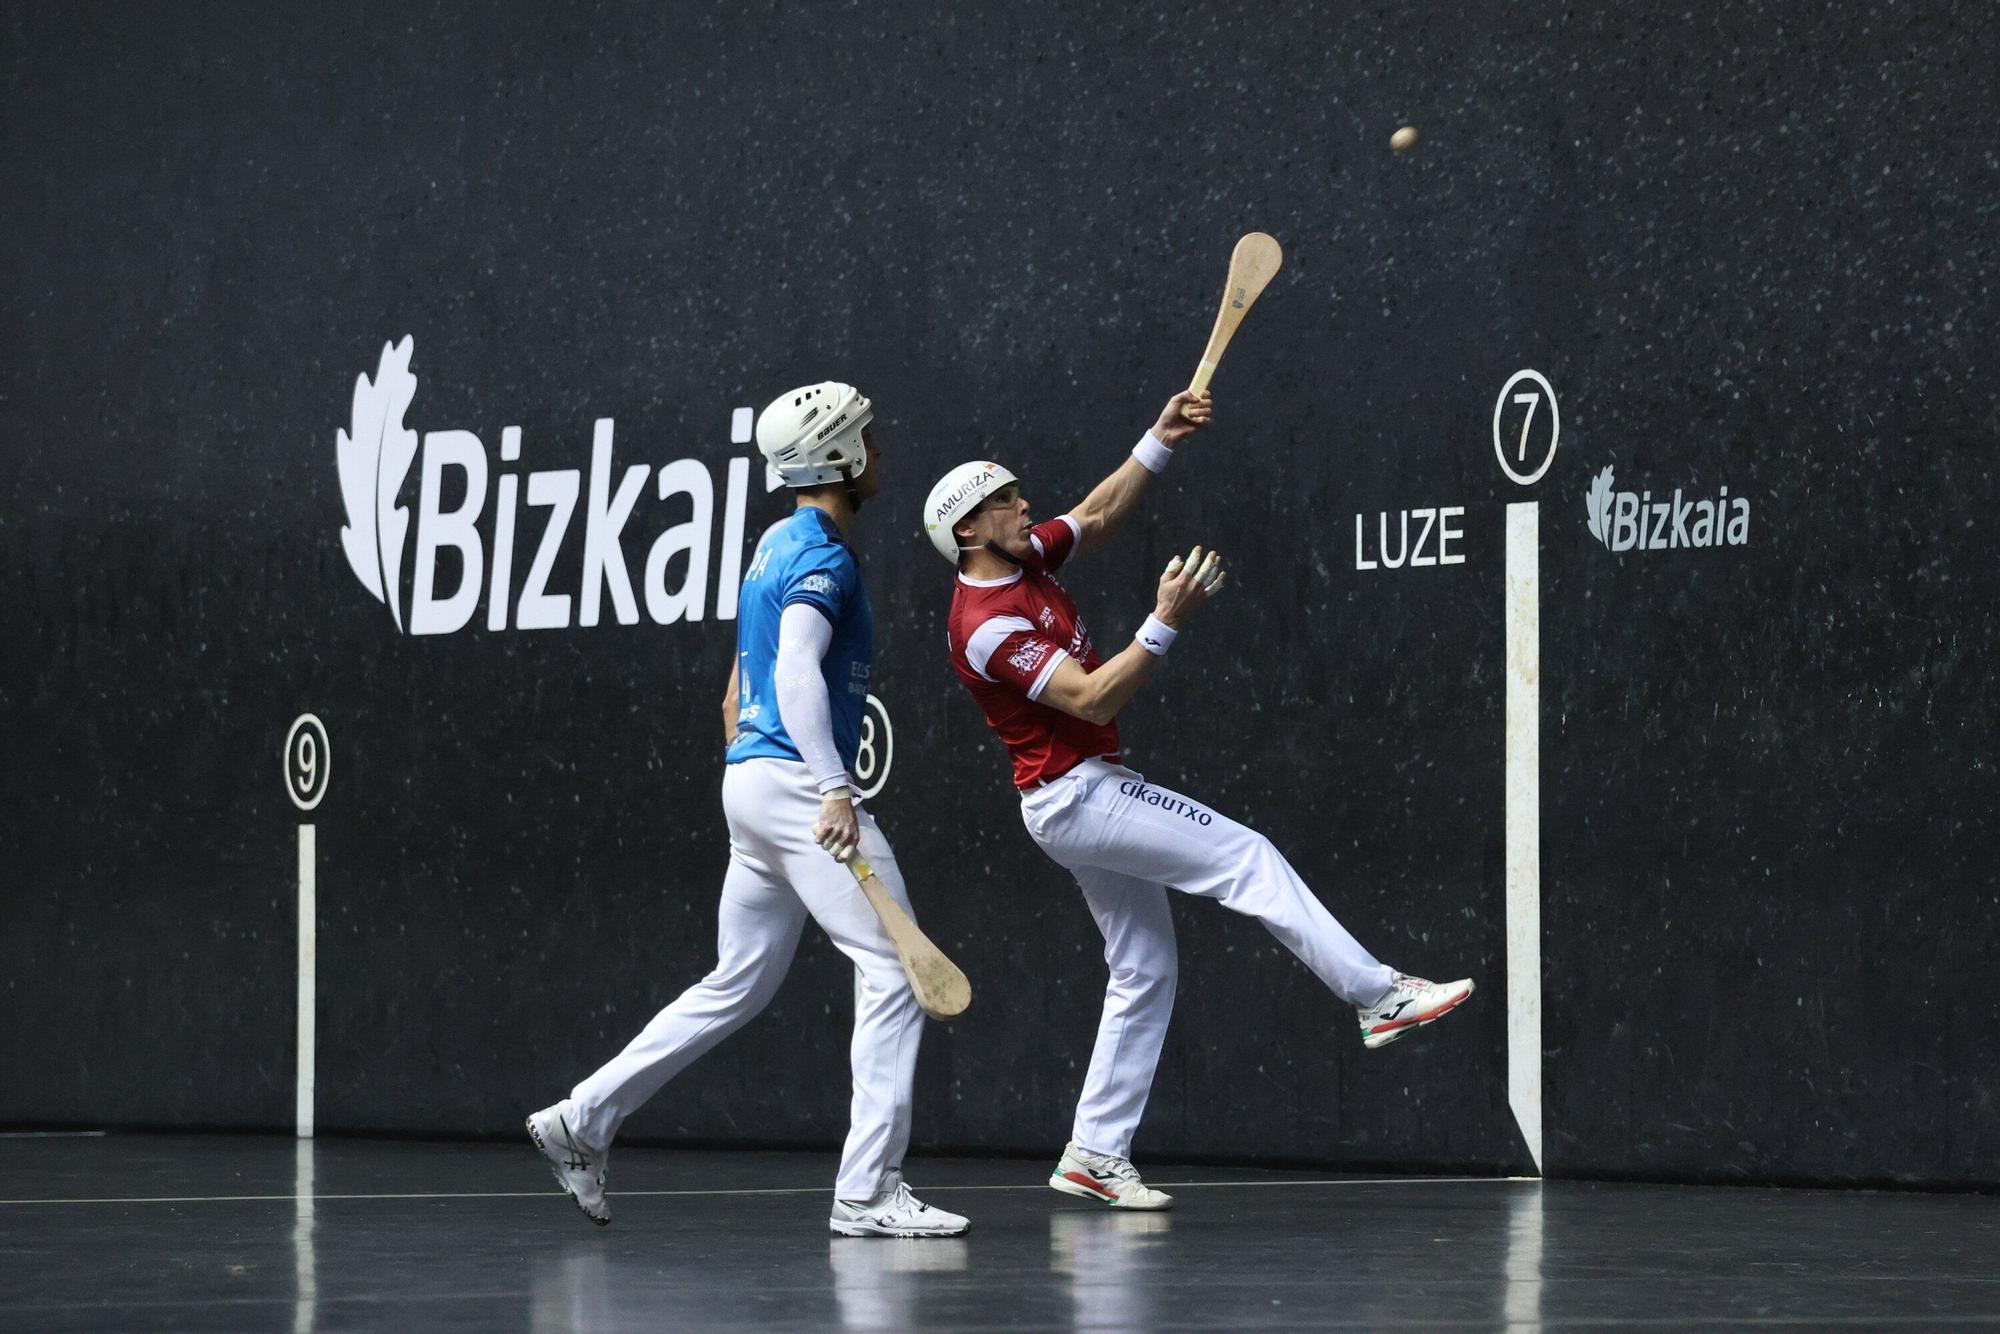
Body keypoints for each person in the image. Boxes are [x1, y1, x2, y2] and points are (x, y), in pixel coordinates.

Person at [922, 390, 1474, 1211]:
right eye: (1006, 500)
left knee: (1143, 965)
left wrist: (1159, 436)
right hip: (1075, 798)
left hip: (1082, 795)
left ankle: (1094, 1154)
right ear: (969, 529)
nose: (1024, 505)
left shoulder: (1025, 557)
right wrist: (1164, 621)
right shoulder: (986, 623)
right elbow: (1093, 699)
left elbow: (1097, 515)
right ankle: (1376, 995)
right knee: (1244, 854)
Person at [529, 381, 967, 1238]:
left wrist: (757, 764)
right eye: (868, 441)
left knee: (739, 981)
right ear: (839, 458)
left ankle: (583, 1120)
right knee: (891, 973)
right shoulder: (824, 559)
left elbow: (739, 685)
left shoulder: (773, 542)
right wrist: (833, 786)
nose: (881, 452)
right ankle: (868, 1191)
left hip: (752, 783)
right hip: (802, 788)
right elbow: (796, 667)